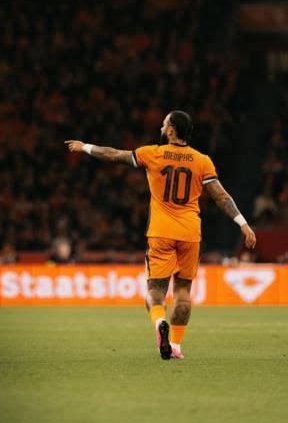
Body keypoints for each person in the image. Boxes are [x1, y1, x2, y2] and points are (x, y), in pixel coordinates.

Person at [65, 110, 256, 360]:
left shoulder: (152, 153)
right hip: (190, 233)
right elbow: (221, 196)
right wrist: (243, 223)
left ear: (172, 131)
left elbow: (113, 154)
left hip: (161, 232)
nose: (161, 128)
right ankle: (175, 345)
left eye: (164, 124)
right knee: (183, 292)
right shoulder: (202, 161)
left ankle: (159, 323)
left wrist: (85, 147)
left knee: (155, 289)